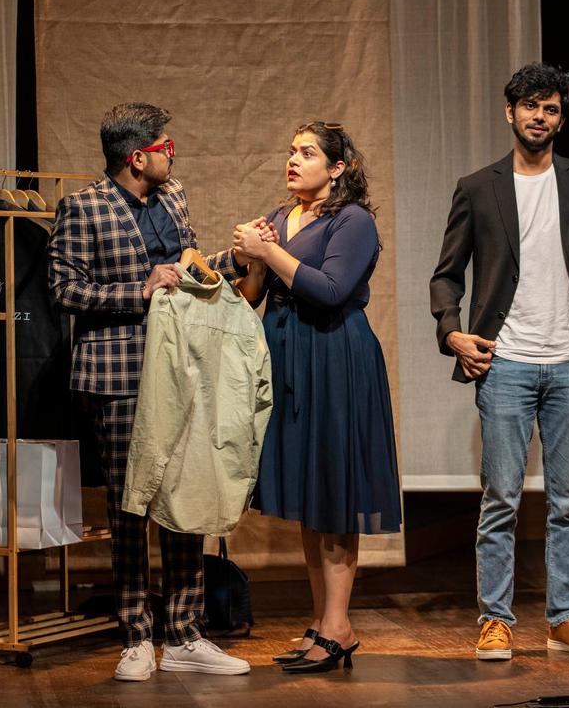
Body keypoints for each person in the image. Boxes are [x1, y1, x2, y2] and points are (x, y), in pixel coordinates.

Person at [429, 63, 569, 660]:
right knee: (502, 498)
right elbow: (447, 276)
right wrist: (453, 333)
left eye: (549, 109)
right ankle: (496, 619)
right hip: (506, 363)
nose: (538, 117)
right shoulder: (477, 186)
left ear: (560, 119)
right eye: (529, 106)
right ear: (510, 112)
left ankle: (565, 617)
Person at [47, 102, 253, 681]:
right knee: (131, 507)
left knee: (184, 502)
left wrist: (231, 260)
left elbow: (185, 269)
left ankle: (185, 633)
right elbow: (64, 290)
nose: (173, 152)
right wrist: (136, 290)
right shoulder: (83, 207)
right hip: (120, 379)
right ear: (138, 158)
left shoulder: (174, 197)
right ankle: (137, 634)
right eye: (165, 145)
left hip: (182, 373)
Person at [233, 121, 402, 673]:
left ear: (337, 168)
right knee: (309, 495)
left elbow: (329, 291)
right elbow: (255, 297)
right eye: (290, 151)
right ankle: (323, 619)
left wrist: (271, 252)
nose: (294, 160)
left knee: (334, 489)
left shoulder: (353, 221)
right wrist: (253, 260)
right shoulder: (281, 218)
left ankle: (339, 625)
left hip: (335, 358)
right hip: (289, 359)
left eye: (307, 152)